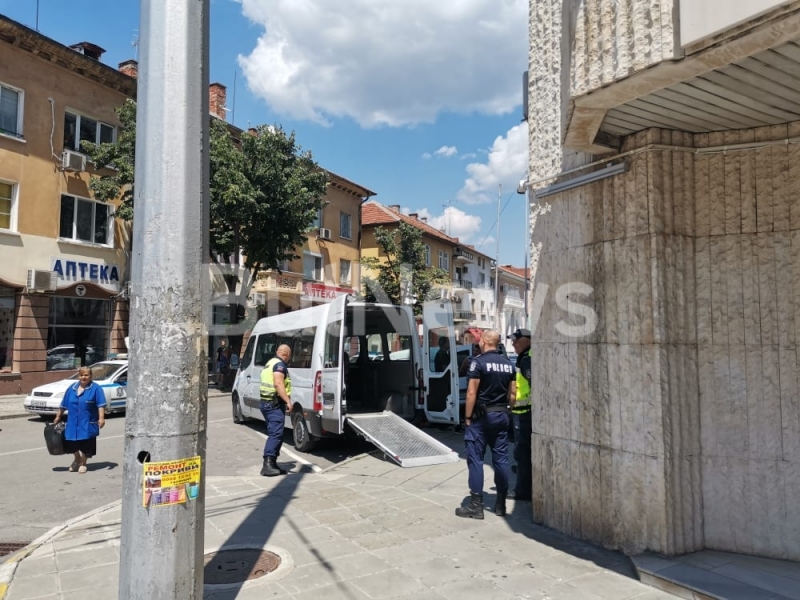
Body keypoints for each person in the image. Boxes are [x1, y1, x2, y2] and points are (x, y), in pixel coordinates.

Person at [456, 330, 516, 519]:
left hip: (481, 418)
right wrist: (507, 410)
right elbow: (512, 394)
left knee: (476, 459)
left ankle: (476, 506)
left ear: (484, 341)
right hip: (501, 415)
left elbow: (471, 393)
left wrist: (467, 417)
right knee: (501, 460)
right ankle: (500, 504)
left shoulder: (478, 362)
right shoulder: (508, 365)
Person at [53, 366, 106, 474]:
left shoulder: (96, 388)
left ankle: (83, 463)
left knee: (86, 443)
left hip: (87, 422)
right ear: (78, 376)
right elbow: (64, 404)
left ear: (91, 376)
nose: (83, 377)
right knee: (70, 442)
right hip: (72, 422)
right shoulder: (72, 388)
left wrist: (101, 418)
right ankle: (77, 458)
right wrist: (58, 416)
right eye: (81, 375)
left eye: (86, 375)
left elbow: (101, 405)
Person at [259, 344, 292, 477]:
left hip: (266, 403)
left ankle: (273, 464)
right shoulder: (279, 365)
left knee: (276, 433)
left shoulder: (269, 363)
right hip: (273, 404)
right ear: (287, 354)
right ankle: (268, 465)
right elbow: (278, 383)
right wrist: (288, 401)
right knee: (276, 434)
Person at [508, 328, 532, 501]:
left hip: (524, 413)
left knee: (521, 453)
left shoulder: (527, 359)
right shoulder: (524, 357)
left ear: (528, 340)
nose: (513, 344)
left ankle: (522, 490)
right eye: (513, 341)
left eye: (517, 341)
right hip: (521, 412)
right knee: (522, 454)